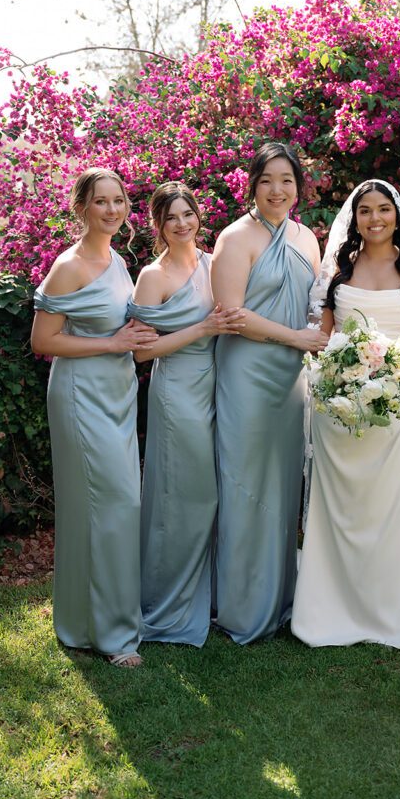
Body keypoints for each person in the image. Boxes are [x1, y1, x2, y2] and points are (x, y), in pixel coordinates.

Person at [291, 180, 400, 648]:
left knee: (393, 512)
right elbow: (321, 339)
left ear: (397, 216)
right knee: (342, 511)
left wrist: (391, 380)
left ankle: (393, 615)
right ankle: (330, 610)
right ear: (354, 217)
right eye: (365, 211)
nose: (375, 218)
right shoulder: (339, 270)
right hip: (338, 411)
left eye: (383, 209)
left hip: (399, 413)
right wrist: (341, 380)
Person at [31, 168, 158, 667]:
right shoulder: (68, 265)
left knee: (106, 509)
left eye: (119, 200)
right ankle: (112, 636)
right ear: (81, 207)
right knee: (113, 507)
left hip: (117, 394)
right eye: (100, 202)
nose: (112, 210)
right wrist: (113, 343)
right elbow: (43, 342)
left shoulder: (118, 259)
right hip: (81, 396)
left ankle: (84, 621)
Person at [210, 142, 327, 643]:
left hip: (291, 378)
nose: (278, 190)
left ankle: (281, 600)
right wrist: (298, 337)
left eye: (287, 180)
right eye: (267, 180)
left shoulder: (307, 238)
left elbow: (317, 306)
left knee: (281, 486)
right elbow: (231, 316)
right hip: (248, 372)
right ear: (252, 186)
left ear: (299, 185)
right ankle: (241, 607)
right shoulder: (235, 238)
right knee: (243, 484)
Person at [129, 183, 244, 647]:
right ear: (159, 225)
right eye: (171, 217)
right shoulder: (153, 276)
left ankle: (213, 593)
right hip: (176, 389)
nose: (182, 223)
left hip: (219, 385)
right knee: (183, 495)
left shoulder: (215, 263)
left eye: (188, 214)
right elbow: (141, 353)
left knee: (216, 491)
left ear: (199, 216)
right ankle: (166, 598)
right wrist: (203, 327)